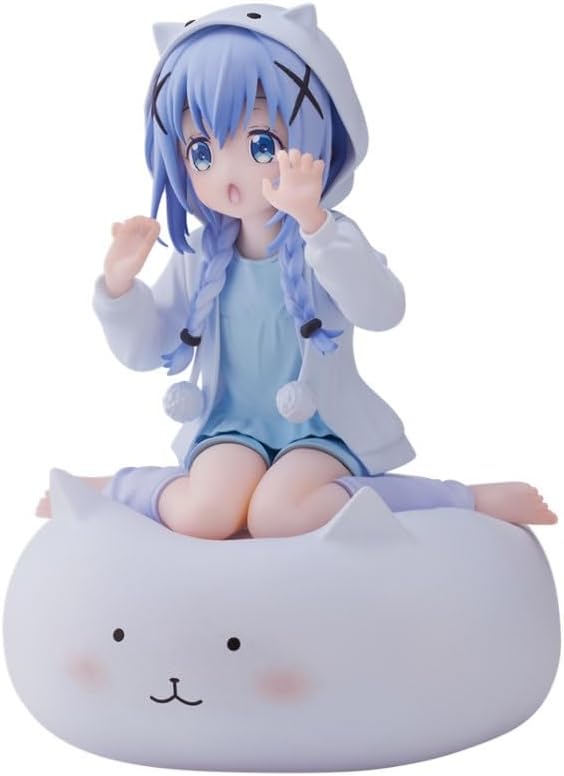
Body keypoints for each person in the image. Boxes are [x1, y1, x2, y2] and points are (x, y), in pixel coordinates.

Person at [36, 4, 557, 538]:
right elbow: (149, 350)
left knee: (278, 515)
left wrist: (315, 224)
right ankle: (115, 488)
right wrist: (120, 289)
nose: (228, 174)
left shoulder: (328, 238)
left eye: (260, 145)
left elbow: (382, 310)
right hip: (229, 426)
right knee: (205, 514)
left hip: (320, 427)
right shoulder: (199, 253)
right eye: (201, 151)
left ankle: (459, 498)